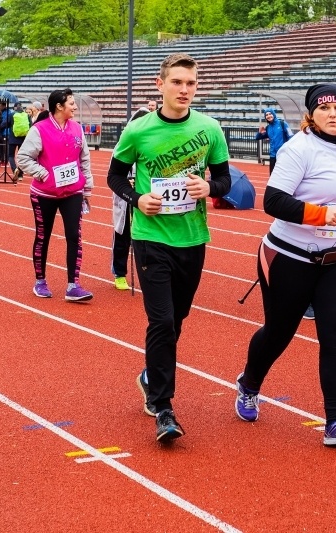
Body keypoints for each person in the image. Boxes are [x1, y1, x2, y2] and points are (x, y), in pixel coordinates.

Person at [233, 83, 336, 447]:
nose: (332, 114)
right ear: (311, 115)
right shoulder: (298, 148)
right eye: (323, 109)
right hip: (289, 258)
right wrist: (321, 215)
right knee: (279, 332)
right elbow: (273, 201)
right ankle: (249, 384)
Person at [106, 53, 231, 443]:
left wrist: (209, 187)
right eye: (177, 82)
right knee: (160, 321)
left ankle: (150, 375)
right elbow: (114, 176)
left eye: (191, 83)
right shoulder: (138, 130)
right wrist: (137, 198)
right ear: (160, 85)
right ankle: (163, 407)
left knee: (176, 320)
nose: (184, 89)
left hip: (192, 238)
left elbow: (225, 180)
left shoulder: (209, 128)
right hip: (150, 238)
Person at [17, 88, 94, 303]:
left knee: (74, 236)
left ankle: (73, 285)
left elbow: (84, 159)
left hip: (73, 192)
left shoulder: (77, 128)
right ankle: (40, 281)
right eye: (71, 103)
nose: (75, 107)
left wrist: (87, 188)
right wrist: (43, 173)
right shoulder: (39, 129)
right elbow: (23, 158)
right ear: (59, 106)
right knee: (43, 236)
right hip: (45, 193)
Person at [111, 107, 150, 291]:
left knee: (147, 240)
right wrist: (128, 182)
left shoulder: (153, 145)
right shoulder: (123, 145)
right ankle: (119, 273)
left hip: (147, 200)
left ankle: (149, 273)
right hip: (126, 201)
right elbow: (114, 175)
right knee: (122, 237)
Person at [254, 108, 292, 175]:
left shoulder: (283, 124)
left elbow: (291, 136)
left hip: (282, 154)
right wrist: (259, 132)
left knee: (283, 175)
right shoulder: (268, 128)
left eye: (270, 114)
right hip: (273, 156)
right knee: (272, 176)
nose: (268, 116)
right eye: (266, 115)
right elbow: (257, 138)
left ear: (273, 114)